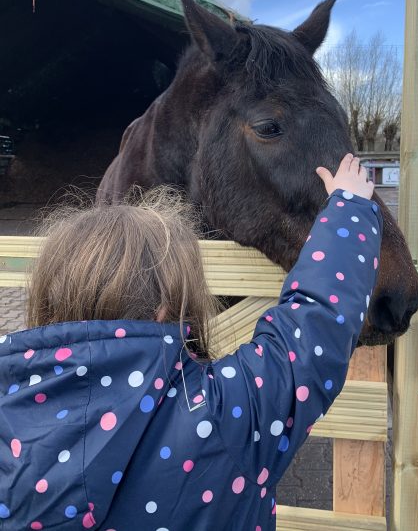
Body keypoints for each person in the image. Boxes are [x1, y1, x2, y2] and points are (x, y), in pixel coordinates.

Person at [0, 153, 382, 530]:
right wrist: (348, 209)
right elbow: (315, 324)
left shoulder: (8, 413)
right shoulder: (222, 414)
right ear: (165, 308)